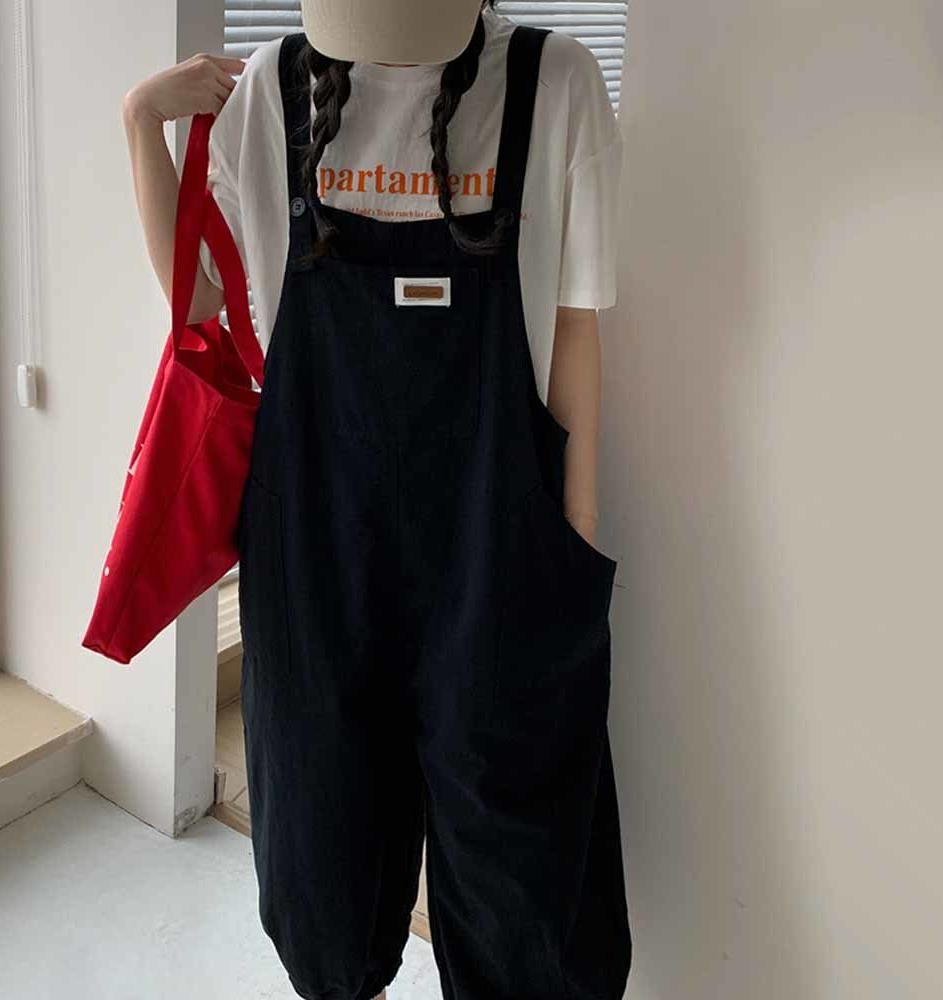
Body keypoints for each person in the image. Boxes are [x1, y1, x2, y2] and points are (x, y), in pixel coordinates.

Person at [122, 3, 631, 998]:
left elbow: (575, 327)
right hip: (316, 546)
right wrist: (141, 120)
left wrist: (571, 548)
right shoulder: (268, 91)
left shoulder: (555, 81)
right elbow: (200, 303)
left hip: (501, 542)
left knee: (520, 868)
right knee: (320, 857)